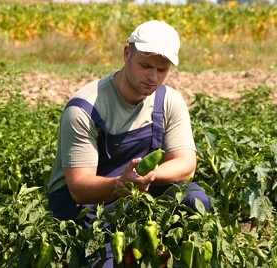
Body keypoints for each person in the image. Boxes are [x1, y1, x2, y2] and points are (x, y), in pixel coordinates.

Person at [46, 20, 211, 266]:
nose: (152, 77)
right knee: (104, 256)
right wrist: (123, 183)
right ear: (126, 54)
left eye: (162, 69)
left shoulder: (169, 101)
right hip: (85, 202)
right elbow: (79, 187)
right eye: (145, 65)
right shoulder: (85, 108)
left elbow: (186, 165)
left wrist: (148, 175)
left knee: (194, 198)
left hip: (137, 191)